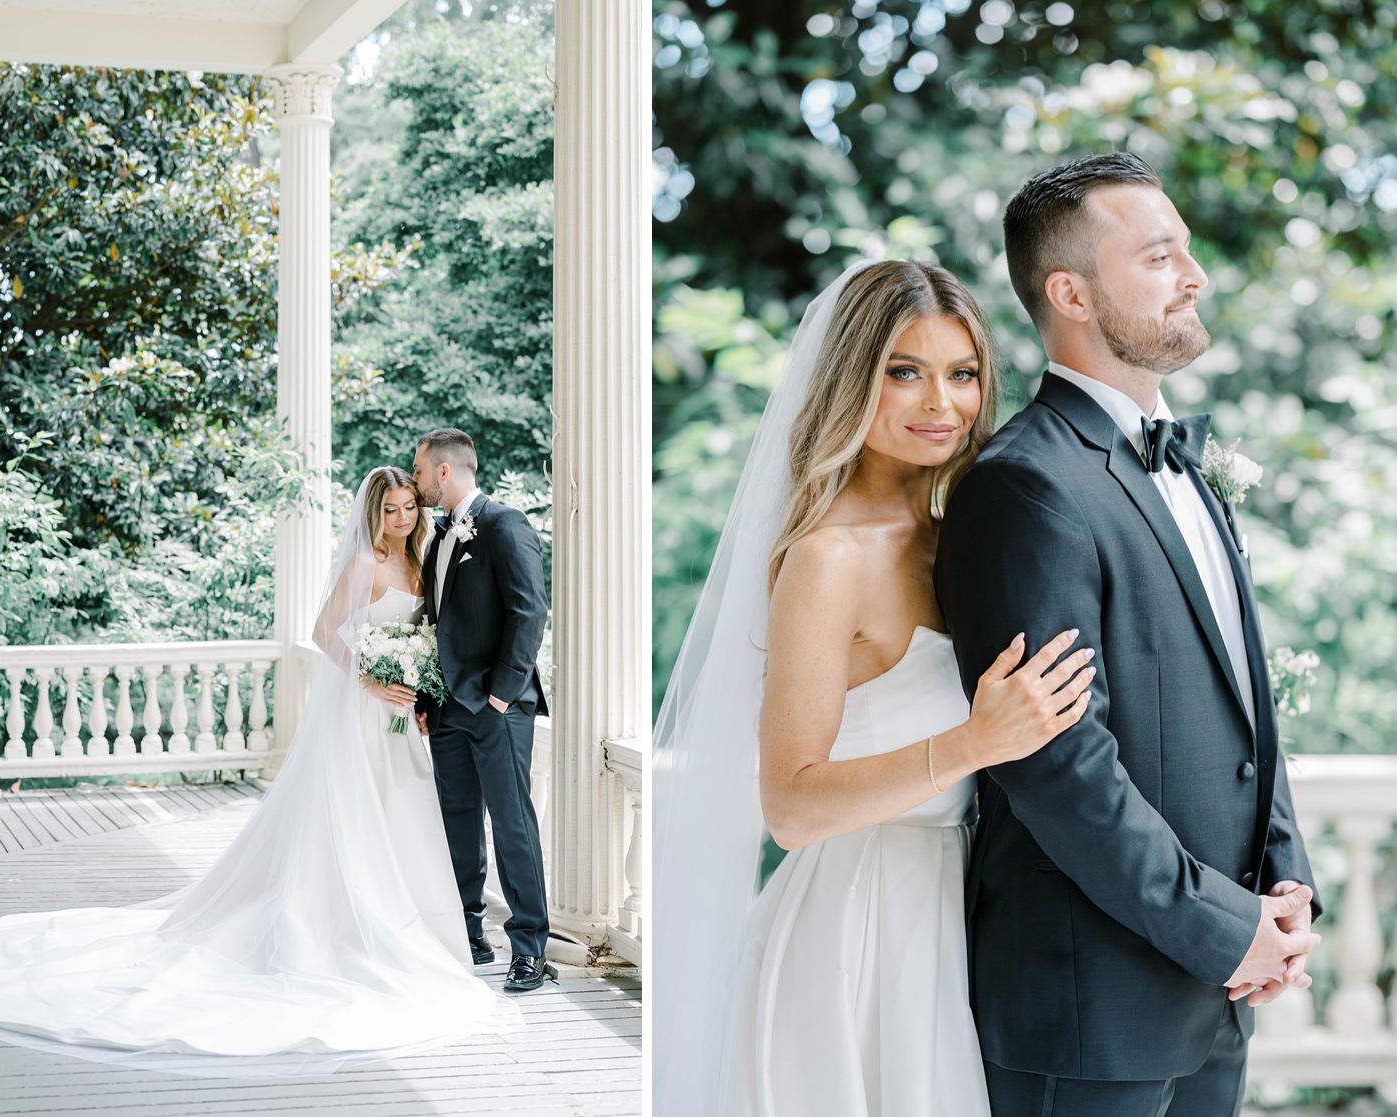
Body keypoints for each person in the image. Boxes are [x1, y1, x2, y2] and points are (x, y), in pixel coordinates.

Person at [653, 259, 1097, 1115]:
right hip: (850, 937)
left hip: (948, 913)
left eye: (962, 374)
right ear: (854, 380)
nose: (942, 404)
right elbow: (789, 804)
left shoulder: (958, 537)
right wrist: (972, 741)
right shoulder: (827, 559)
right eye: (906, 372)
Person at [0, 466, 519, 1076]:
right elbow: (325, 631)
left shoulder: (422, 560)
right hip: (364, 711)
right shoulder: (363, 564)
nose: (404, 517)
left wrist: (417, 693)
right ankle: (355, 930)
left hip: (403, 720)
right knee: (357, 824)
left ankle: (417, 930)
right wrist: (371, 679)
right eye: (391, 509)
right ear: (372, 515)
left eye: (410, 506)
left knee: (405, 819)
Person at [935, 152, 1321, 1117]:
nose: (1196, 276)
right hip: (1089, 1010)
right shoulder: (1023, 486)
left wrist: (1285, 878)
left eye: (1186, 251)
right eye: (1159, 257)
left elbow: (1243, 698)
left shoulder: (1191, 467)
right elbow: (1060, 765)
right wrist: (1224, 927)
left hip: (1213, 990)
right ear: (1069, 290)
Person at [410, 429, 552, 993]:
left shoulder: (504, 524)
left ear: (445, 472)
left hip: (498, 708)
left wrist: (501, 693)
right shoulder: (438, 534)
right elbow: (433, 623)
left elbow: (529, 611)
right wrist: (426, 696)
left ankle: (530, 949)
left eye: (419, 470)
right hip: (446, 707)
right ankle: (470, 933)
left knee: (513, 824)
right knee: (458, 825)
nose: (415, 479)